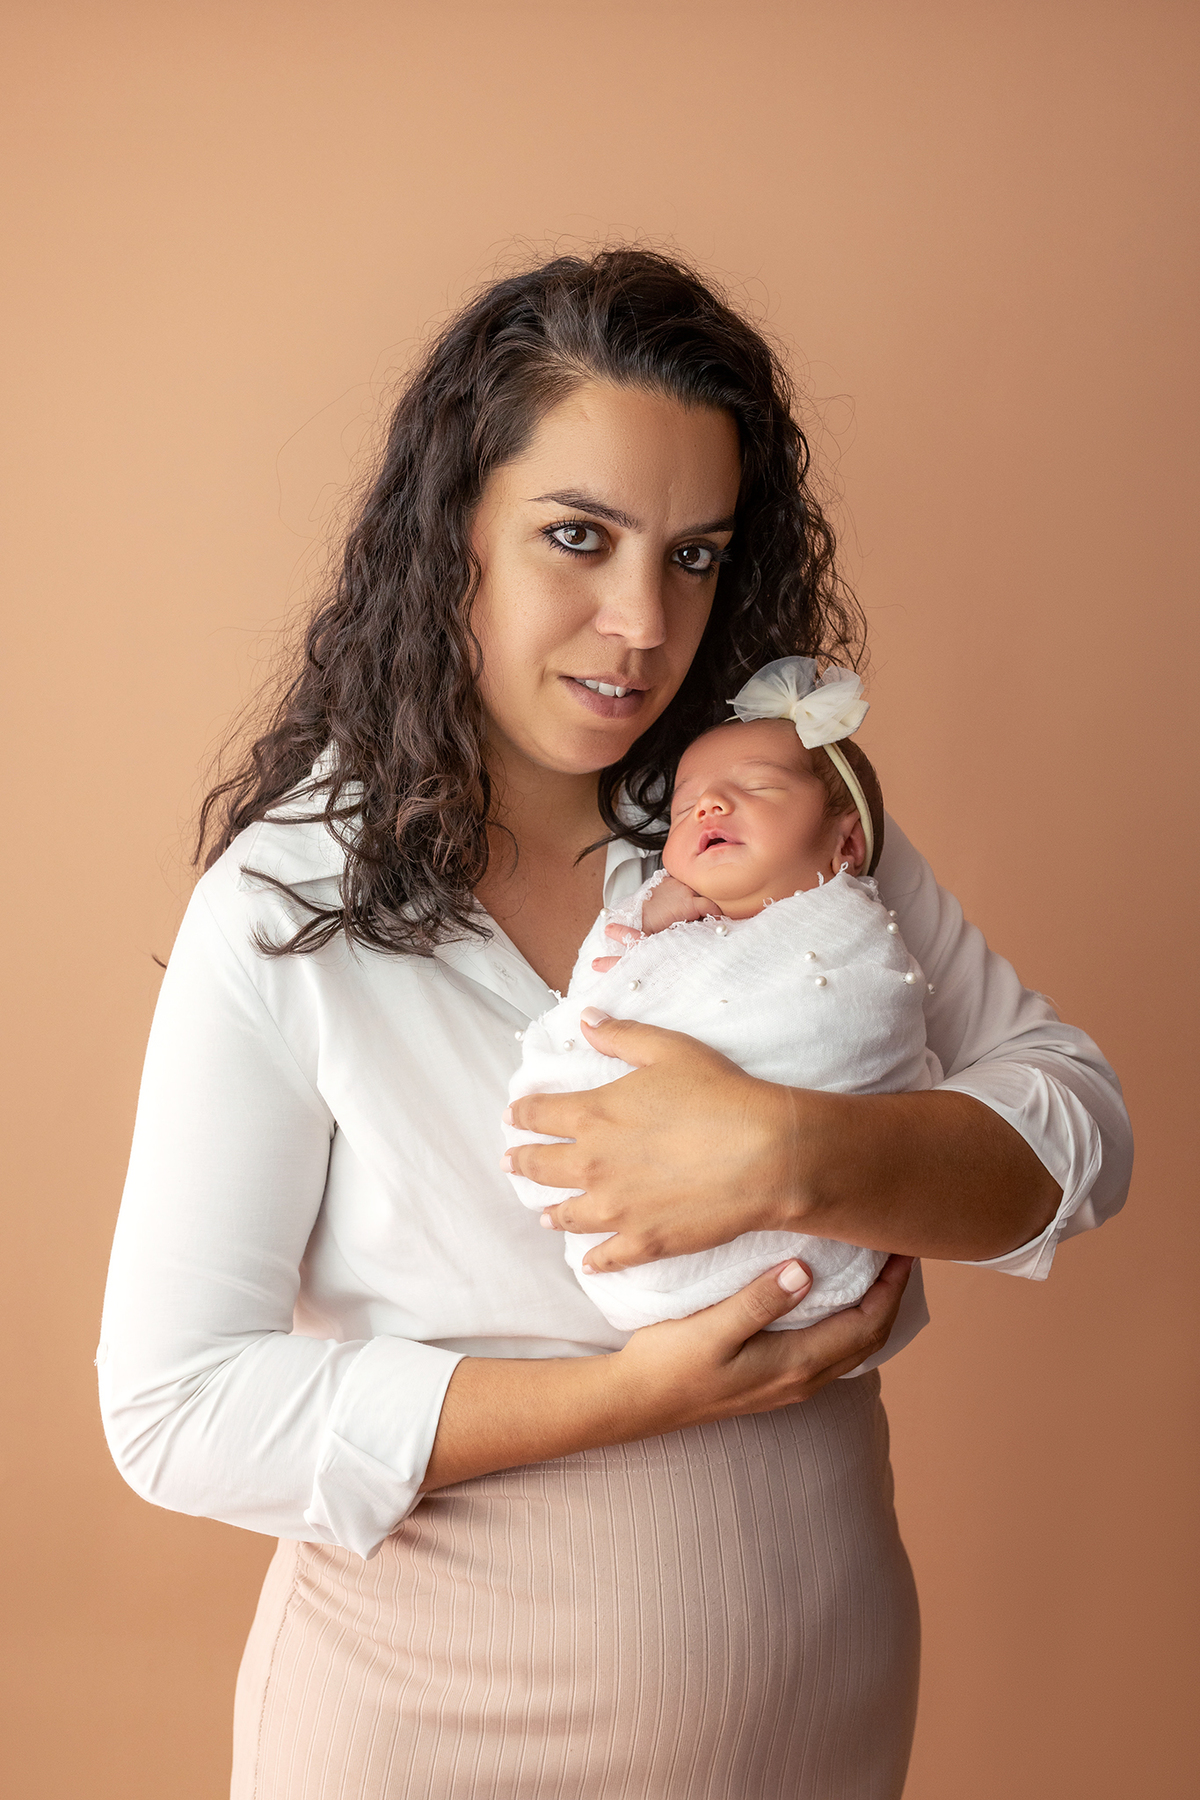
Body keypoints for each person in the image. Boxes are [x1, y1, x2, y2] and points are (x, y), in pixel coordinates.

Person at [97, 248, 1131, 1800]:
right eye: (579, 538)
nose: (643, 623)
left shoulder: (773, 823)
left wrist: (799, 1151)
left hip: (816, 1722)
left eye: (698, 557)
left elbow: (1082, 1137)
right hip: (422, 1738)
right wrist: (635, 1398)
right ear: (454, 533)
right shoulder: (286, 902)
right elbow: (175, 1408)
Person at [505, 661, 928, 1333]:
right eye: (683, 807)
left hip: (798, 1251)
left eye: (756, 787)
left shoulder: (852, 937)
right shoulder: (663, 925)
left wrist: (765, 1140)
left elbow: (847, 1030)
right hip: (629, 1252)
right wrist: (639, 927)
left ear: (846, 843)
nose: (708, 806)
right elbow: (594, 998)